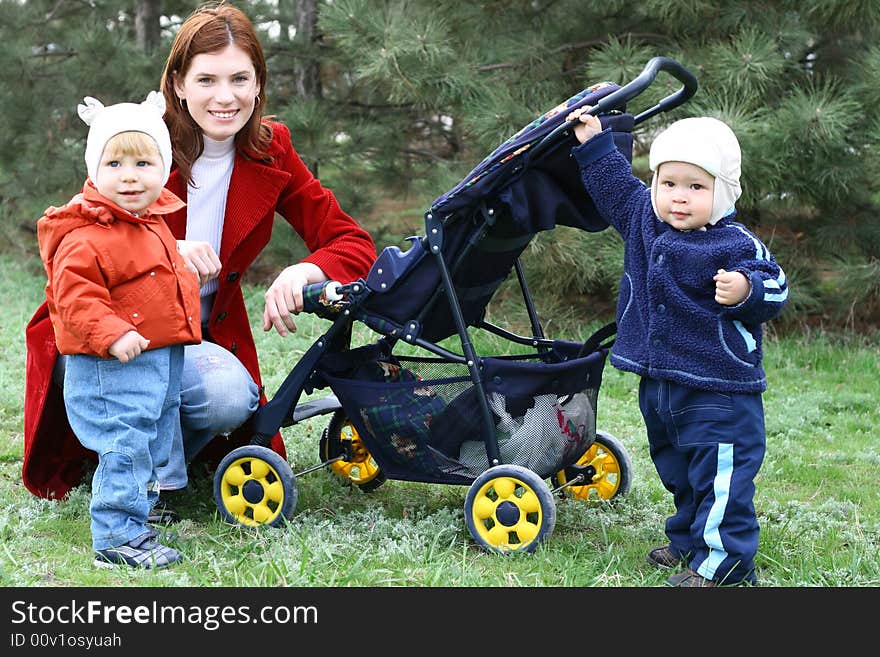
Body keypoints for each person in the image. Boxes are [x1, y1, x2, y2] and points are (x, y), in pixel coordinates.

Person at [22, 1, 377, 522]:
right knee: (192, 387)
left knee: (231, 396)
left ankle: (159, 468)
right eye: (206, 79)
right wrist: (159, 250)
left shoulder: (272, 148)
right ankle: (127, 471)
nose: (225, 97)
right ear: (179, 85)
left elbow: (351, 240)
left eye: (240, 78)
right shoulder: (139, 141)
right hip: (118, 334)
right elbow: (80, 235)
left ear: (258, 85)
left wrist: (306, 269)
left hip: (198, 337)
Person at [567, 108, 788, 586]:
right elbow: (613, 186)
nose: (679, 198)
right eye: (668, 183)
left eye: (695, 187)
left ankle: (723, 564)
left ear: (722, 193)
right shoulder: (643, 219)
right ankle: (689, 538)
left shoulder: (737, 245)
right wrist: (593, 143)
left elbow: (776, 288)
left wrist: (746, 290)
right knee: (677, 467)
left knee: (719, 475)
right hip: (661, 381)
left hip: (719, 387)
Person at [36, 91, 201, 568]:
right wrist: (111, 332)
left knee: (150, 436)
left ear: (164, 168)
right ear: (94, 169)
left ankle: (140, 514)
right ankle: (116, 536)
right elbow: (73, 296)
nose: (129, 175)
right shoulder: (85, 235)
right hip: (113, 362)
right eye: (114, 163)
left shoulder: (149, 222)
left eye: (144, 162)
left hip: (156, 358)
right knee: (125, 441)